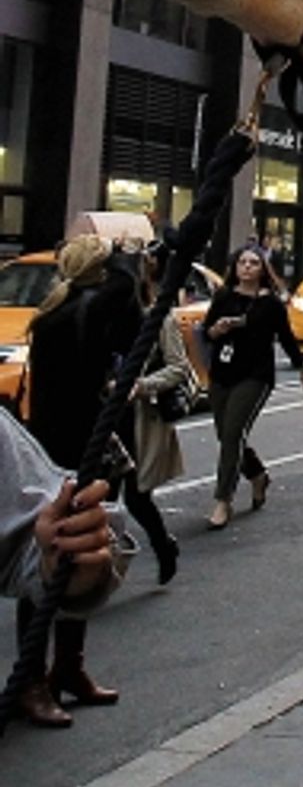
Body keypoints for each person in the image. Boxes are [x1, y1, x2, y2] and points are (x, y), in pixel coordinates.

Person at [23, 233, 143, 716]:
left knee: (80, 559)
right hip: (67, 448)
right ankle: (32, 679)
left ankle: (66, 668)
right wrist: (127, 257)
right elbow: (126, 295)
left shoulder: (62, 309)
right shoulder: (79, 311)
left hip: (65, 442)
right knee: (53, 561)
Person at [1, 413, 126, 728]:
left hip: (78, 444)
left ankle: (66, 667)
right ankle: (32, 680)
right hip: (53, 432)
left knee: (70, 534)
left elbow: (25, 547)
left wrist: (66, 574)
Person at [204, 245, 303, 530]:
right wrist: (216, 330)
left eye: (253, 263)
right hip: (222, 373)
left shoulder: (270, 304)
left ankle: (223, 500)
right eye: (242, 262)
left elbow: (286, 337)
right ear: (235, 267)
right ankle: (257, 475)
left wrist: (302, 368)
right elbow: (206, 331)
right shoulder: (224, 296)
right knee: (226, 435)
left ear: (263, 269)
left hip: (255, 376)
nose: (247, 267)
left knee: (232, 434)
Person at [117, 240, 196, 584]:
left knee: (136, 495)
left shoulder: (159, 317)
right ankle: (100, 570)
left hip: (140, 416)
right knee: (103, 494)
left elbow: (179, 367)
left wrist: (142, 385)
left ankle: (163, 547)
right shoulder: (107, 318)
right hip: (109, 414)